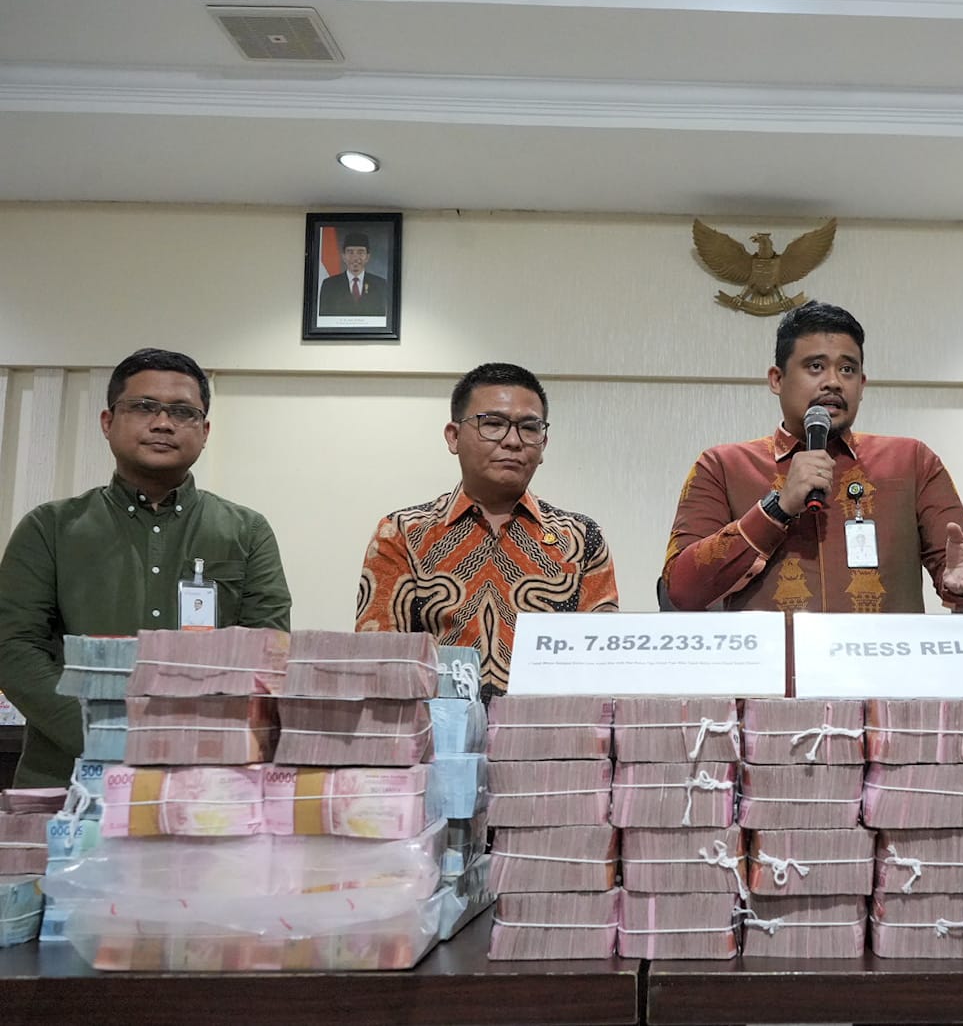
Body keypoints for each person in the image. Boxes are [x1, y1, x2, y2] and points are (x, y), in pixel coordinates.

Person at [0, 348, 292, 787]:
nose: (163, 423)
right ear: (107, 422)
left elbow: (266, 652)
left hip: (207, 781)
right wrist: (107, 738)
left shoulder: (246, 531)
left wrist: (193, 743)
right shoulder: (50, 527)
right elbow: (14, 649)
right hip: (70, 779)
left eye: (183, 412)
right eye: (143, 407)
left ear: (205, 431)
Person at [663, 300, 963, 613]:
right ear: (777, 379)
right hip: (774, 657)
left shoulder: (912, 461)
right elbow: (682, 589)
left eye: (847, 369)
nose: (834, 382)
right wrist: (777, 508)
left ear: (862, 385)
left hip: (882, 657)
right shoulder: (722, 466)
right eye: (816, 366)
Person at [356, 362, 618, 697]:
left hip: (546, 727)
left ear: (543, 444)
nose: (513, 441)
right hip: (435, 728)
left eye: (529, 428)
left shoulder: (581, 538)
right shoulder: (402, 534)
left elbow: (600, 670)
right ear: (454, 436)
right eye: (493, 424)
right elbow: (380, 664)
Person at [317, 231, 390, 317]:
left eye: (360, 252)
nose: (355, 258)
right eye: (350, 252)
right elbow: (324, 318)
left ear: (367, 257)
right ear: (343, 256)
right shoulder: (329, 285)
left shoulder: (380, 284)